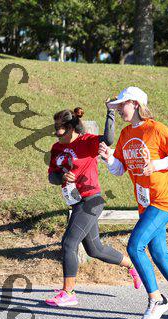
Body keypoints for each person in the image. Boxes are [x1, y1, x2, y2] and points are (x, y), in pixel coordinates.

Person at [99, 86, 168, 319]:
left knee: (135, 246)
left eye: (123, 104)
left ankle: (156, 299)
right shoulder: (126, 133)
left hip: (163, 199)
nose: (119, 109)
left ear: (136, 104)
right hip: (145, 203)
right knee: (158, 254)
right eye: (117, 106)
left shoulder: (157, 129)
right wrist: (109, 158)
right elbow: (120, 169)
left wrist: (155, 166)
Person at [46, 104, 141, 307]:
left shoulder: (87, 142)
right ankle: (132, 266)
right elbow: (52, 176)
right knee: (95, 249)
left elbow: (108, 139)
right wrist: (62, 176)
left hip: (91, 201)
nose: (56, 133)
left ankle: (69, 293)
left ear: (70, 128)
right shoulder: (56, 148)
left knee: (69, 243)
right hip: (76, 202)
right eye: (54, 128)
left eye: (59, 128)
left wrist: (110, 112)